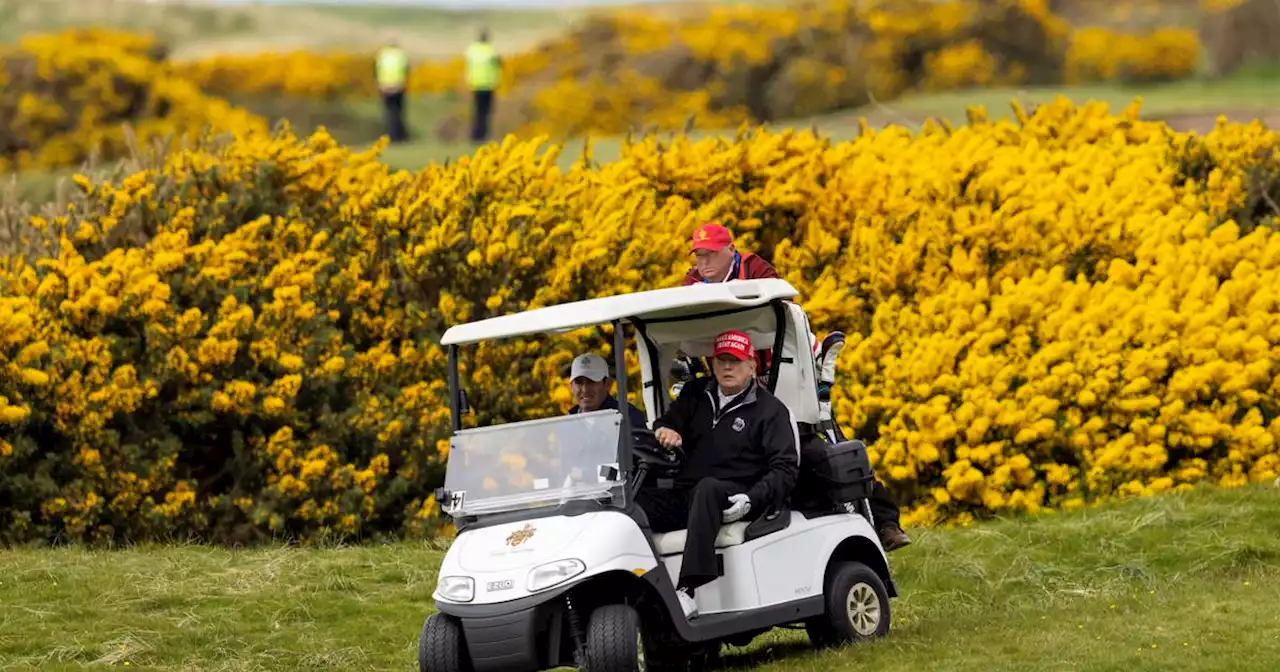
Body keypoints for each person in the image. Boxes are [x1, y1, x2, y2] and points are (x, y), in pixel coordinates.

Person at [676, 222, 912, 553]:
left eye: (711, 255)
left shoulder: (754, 268)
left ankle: (885, 522)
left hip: (779, 374)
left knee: (830, 450)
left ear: (731, 251)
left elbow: (779, 306)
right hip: (733, 382)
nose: (704, 264)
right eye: (699, 256)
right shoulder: (691, 282)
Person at [638, 330, 801, 620]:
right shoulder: (695, 394)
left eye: (736, 361)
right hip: (688, 494)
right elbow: (669, 421)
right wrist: (666, 429)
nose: (728, 367)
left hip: (736, 495)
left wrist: (751, 499)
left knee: (708, 488)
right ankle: (636, 587)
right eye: (722, 360)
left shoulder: (769, 411)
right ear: (712, 363)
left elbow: (785, 470)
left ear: (751, 365)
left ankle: (687, 591)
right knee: (634, 501)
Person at [568, 353, 648, 430]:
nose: (585, 389)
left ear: (607, 384)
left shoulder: (628, 416)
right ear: (571, 386)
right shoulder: (567, 422)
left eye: (591, 381)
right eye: (579, 382)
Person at [464, 28, 501, 144]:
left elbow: (468, 67)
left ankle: (475, 136)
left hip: (475, 85)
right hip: (489, 85)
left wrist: (468, 82)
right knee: (486, 113)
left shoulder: (472, 50)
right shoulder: (491, 50)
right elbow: (498, 66)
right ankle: (483, 135)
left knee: (476, 112)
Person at [375, 36, 410, 143]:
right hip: (398, 86)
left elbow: (377, 70)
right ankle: (399, 136)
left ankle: (391, 135)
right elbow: (406, 69)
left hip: (385, 87)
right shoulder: (400, 54)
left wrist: (380, 84)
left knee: (389, 113)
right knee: (399, 112)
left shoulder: (382, 55)